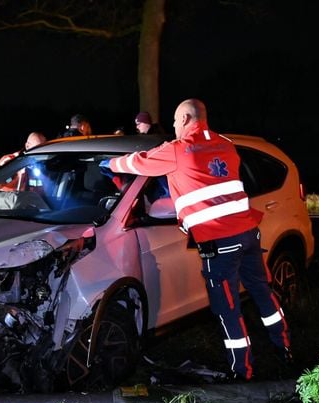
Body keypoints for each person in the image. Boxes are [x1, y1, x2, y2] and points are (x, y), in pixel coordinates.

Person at [102, 99, 292, 381]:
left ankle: (243, 372)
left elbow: (138, 162)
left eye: (177, 122)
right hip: (249, 234)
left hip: (221, 242)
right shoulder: (225, 145)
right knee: (263, 292)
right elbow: (206, 182)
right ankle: (285, 348)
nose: (175, 127)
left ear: (187, 118)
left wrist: (109, 163)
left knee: (228, 308)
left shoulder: (178, 150)